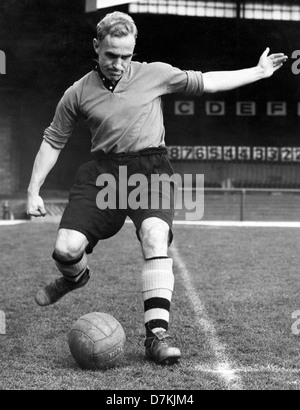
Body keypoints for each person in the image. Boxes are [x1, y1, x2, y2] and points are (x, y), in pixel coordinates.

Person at [27, 11, 287, 365]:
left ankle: (157, 335)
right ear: (96, 47)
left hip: (151, 169)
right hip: (104, 173)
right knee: (66, 248)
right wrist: (33, 190)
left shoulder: (155, 74)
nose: (118, 63)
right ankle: (75, 278)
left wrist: (257, 72)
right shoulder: (77, 92)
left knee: (154, 234)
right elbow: (53, 141)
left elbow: (207, 81)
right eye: (110, 55)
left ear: (134, 51)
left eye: (126, 56)